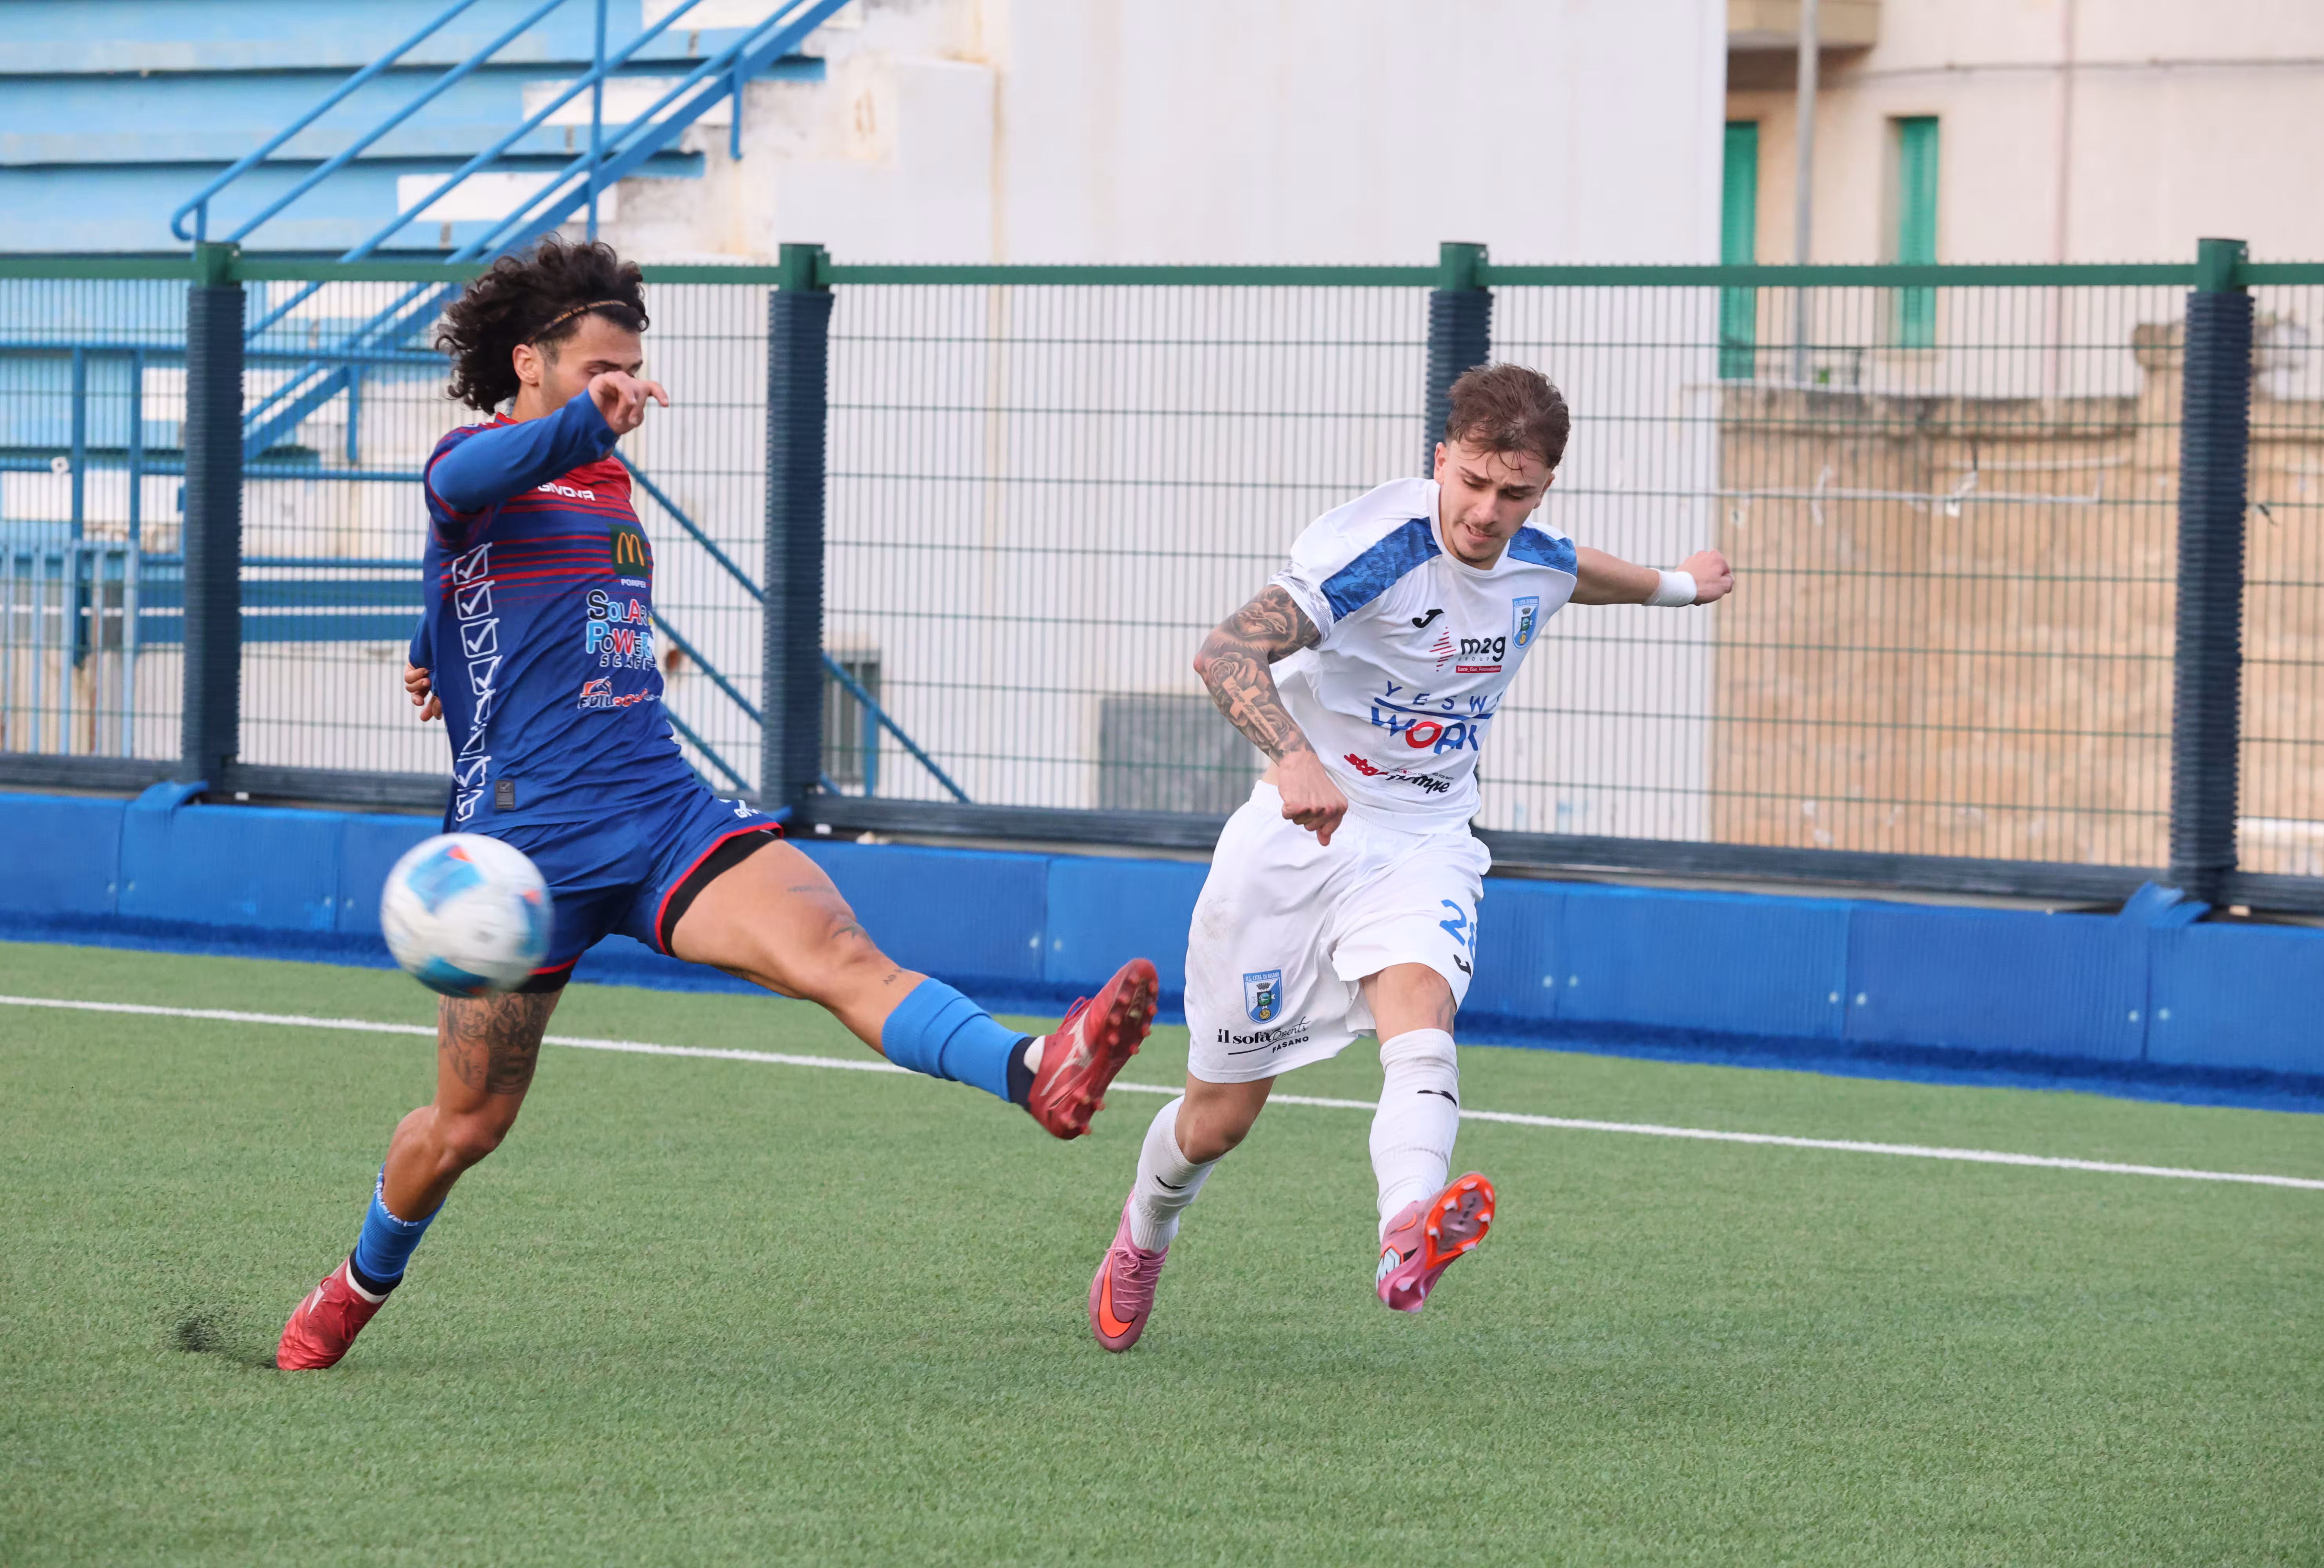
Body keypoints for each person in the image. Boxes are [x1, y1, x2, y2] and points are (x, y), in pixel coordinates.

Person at [278, 238, 1158, 1371]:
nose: (627, 389)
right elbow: (462, 505)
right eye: (603, 371)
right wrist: (566, 453)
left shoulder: (609, 480)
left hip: (660, 812)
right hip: (520, 856)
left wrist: (430, 647)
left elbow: (513, 596)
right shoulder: (476, 456)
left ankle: (1035, 1073)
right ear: (529, 365)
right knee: (465, 1128)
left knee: (839, 952)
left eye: (635, 371)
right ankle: (355, 1286)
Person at [1087, 363, 1732, 1351]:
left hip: (1425, 838)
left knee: (1422, 1012)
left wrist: (1686, 585)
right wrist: (1295, 756)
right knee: (1217, 1119)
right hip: (1298, 839)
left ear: (1543, 488)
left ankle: (1406, 1233)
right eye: (1472, 482)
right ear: (1442, 459)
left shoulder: (1535, 556)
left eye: (1514, 493)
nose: (1486, 511)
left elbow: (1578, 571)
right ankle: (1144, 1234)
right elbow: (1225, 651)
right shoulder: (1378, 550)